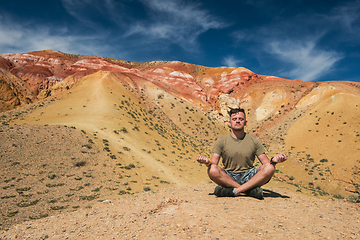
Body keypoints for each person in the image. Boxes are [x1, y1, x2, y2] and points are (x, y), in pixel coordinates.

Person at [196, 108, 287, 199]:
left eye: (241, 119)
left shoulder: (254, 141)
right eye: (234, 119)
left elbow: (266, 163)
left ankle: (235, 191)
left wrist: (274, 161)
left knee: (270, 168)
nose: (238, 121)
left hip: (249, 176)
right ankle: (248, 190)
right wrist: (207, 162)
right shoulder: (221, 141)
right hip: (228, 176)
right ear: (229, 123)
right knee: (212, 169)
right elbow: (214, 164)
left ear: (245, 123)